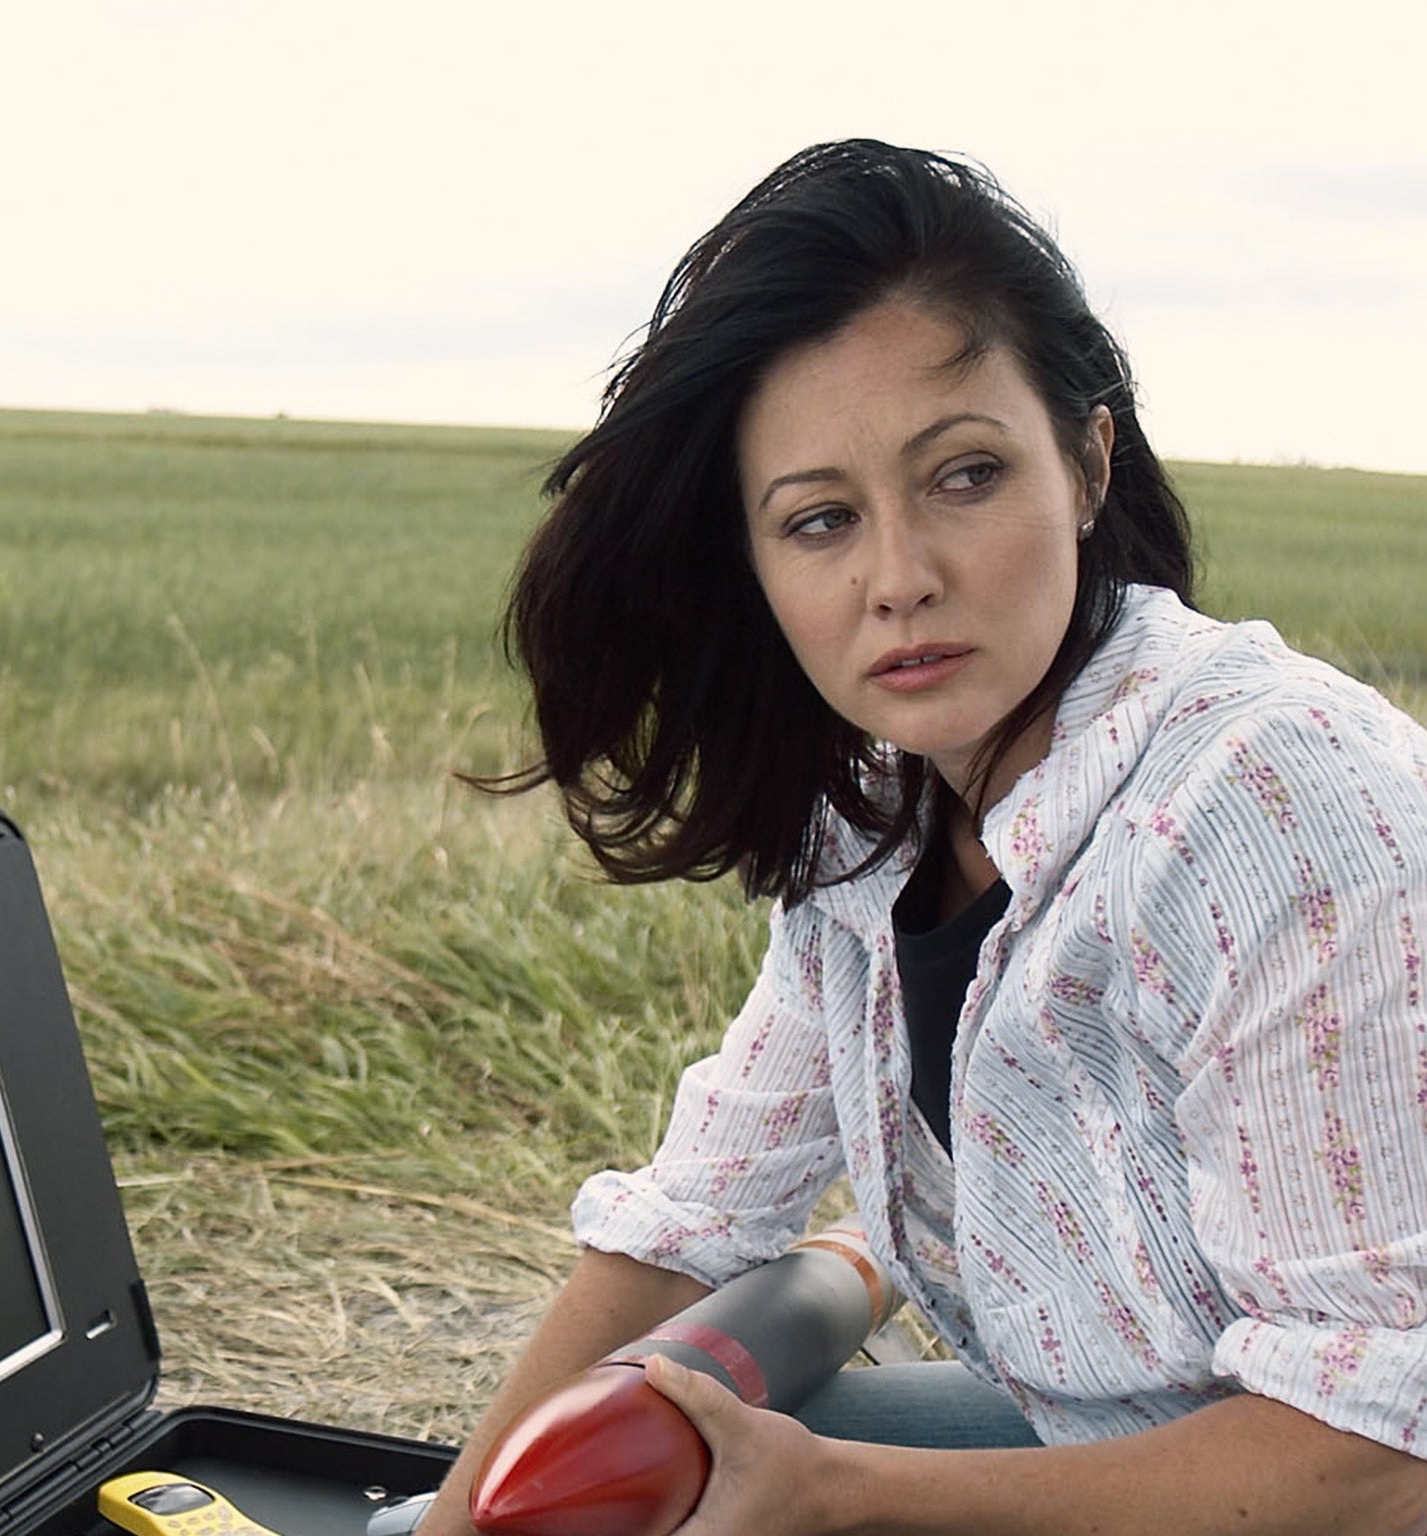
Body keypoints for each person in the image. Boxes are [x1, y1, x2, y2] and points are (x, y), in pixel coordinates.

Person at [422, 140, 1427, 1536]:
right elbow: (696, 1218)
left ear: (1085, 464)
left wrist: (831, 1499)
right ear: (758, 561)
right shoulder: (877, 818)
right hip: (1124, 1447)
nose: (899, 578)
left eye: (963, 477)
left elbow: (1385, 1459)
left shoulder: (1277, 805)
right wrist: (456, 1523)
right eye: (822, 520)